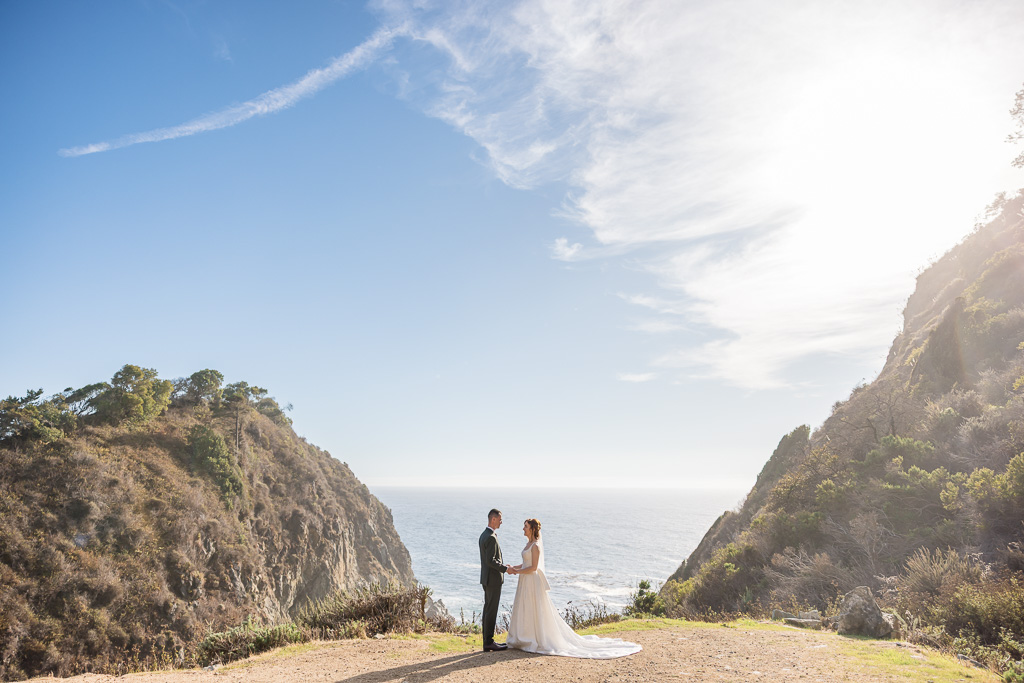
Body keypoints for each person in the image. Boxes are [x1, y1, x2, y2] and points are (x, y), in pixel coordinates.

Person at [506, 518, 642, 658]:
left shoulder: (535, 546)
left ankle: (533, 638)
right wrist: (511, 568)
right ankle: (524, 637)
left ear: (533, 529)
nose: (523, 528)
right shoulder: (528, 544)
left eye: (526, 526)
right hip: (525, 581)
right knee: (525, 607)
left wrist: (515, 571)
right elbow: (525, 564)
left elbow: (533, 568)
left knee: (533, 608)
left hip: (532, 582)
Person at [478, 508, 512, 652]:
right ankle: (489, 642)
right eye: (500, 519)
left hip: (486, 579)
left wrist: (504, 566)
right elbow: (491, 561)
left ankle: (487, 641)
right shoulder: (490, 537)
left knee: (488, 610)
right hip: (493, 580)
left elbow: (489, 560)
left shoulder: (483, 535)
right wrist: (506, 569)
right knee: (491, 611)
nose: (501, 522)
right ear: (493, 519)